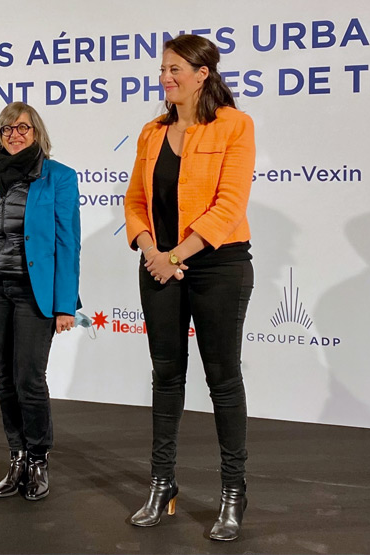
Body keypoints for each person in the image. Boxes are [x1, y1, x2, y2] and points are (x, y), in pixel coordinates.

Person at [123, 34, 256, 539]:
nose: (166, 77)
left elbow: (228, 205)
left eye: (176, 69)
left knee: (222, 379)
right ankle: (162, 484)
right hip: (159, 264)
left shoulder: (234, 126)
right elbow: (135, 199)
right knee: (166, 375)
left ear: (203, 74)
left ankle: (233, 492)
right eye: (163, 69)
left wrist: (175, 255)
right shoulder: (151, 132)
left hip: (218, 265)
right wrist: (150, 249)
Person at [0, 102, 81, 501]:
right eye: (7, 129)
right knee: (4, 380)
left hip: (34, 292)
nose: (15, 135)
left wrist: (66, 304)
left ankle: (38, 458)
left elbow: (68, 243)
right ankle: (16, 457)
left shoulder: (59, 177)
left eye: (23, 128)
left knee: (29, 379)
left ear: (37, 133)